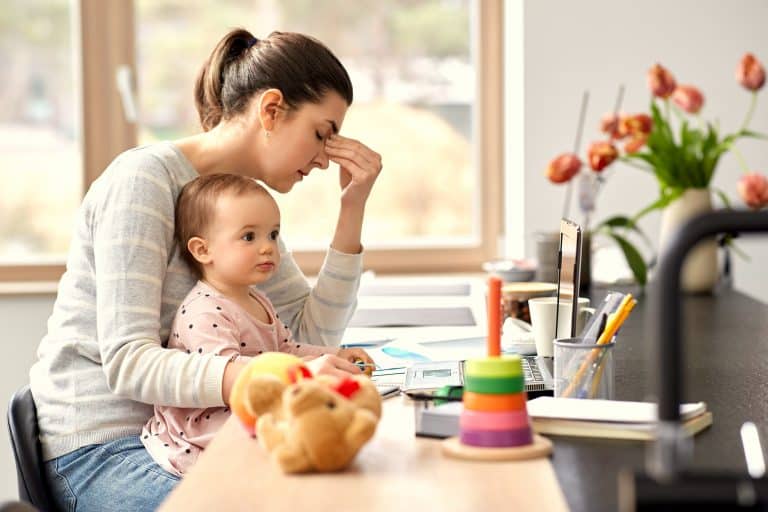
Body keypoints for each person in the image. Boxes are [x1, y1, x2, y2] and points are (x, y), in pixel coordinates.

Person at [30, 28, 381, 511]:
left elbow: (308, 332)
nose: (325, 158)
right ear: (272, 110)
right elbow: (128, 364)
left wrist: (352, 209)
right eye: (321, 134)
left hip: (191, 439)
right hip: (106, 446)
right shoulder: (144, 182)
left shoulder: (238, 207)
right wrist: (282, 374)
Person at [142, 173, 358, 476]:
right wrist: (305, 371)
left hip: (251, 399)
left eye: (273, 234)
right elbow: (227, 376)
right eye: (249, 237)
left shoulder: (258, 299)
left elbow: (287, 348)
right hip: (206, 423)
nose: (268, 247)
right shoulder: (204, 310)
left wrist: (331, 355)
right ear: (203, 250)